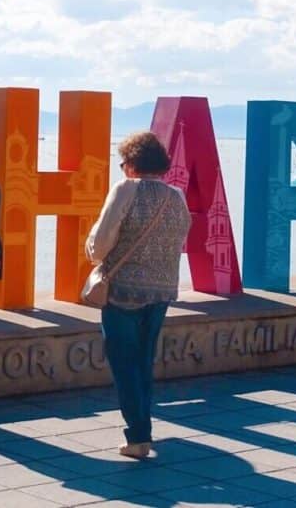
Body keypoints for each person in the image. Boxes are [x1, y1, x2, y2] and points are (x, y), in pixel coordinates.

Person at [85, 131, 192, 459]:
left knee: (124, 363)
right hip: (161, 291)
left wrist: (91, 248)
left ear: (131, 165)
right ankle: (143, 428)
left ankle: (138, 437)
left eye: (122, 163)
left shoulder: (125, 189)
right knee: (144, 361)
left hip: (123, 292)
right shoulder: (177, 196)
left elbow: (100, 245)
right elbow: (182, 240)